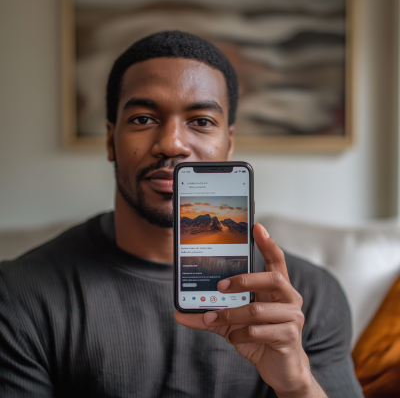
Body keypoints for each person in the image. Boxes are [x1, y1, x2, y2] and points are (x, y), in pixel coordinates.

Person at [0, 31, 363, 398]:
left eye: (202, 121)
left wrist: (298, 385)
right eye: (143, 119)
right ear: (111, 140)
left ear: (228, 144)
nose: (172, 144)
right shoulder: (19, 294)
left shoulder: (308, 298)